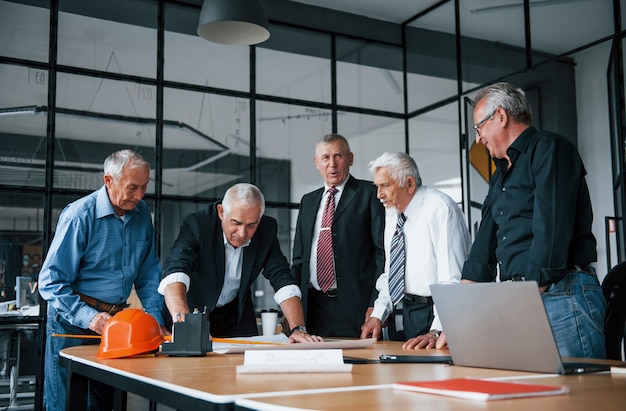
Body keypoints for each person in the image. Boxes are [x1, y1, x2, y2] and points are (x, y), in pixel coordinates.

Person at [460, 81, 606, 358]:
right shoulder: (500, 174)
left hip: (563, 295)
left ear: (500, 117)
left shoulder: (550, 148)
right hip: (524, 297)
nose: (478, 138)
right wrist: (458, 315)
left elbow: (550, 229)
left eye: (479, 128)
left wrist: (522, 301)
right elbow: (485, 240)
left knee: (578, 397)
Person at [38, 149, 165, 411]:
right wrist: (90, 317)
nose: (140, 196)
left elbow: (149, 273)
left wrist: (154, 318)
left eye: (144, 187)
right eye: (132, 188)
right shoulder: (79, 216)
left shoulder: (142, 215)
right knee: (65, 403)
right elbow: (50, 281)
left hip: (116, 325)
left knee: (105, 403)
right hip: (71, 324)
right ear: (109, 180)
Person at [159, 183, 322, 343]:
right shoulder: (199, 224)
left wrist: (297, 328)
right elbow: (176, 270)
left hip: (235, 318)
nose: (243, 233)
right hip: (191, 312)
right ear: (221, 212)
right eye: (236, 223)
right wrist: (187, 325)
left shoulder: (266, 229)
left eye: (251, 225)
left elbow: (281, 276)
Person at [360, 152, 471, 349]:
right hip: (405, 314)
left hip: (436, 316)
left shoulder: (440, 209)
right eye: (377, 186)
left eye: (385, 185)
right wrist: (378, 314)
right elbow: (391, 272)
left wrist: (438, 330)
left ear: (410, 184)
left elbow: (453, 280)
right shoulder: (393, 213)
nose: (379, 195)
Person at [290, 133, 385, 338]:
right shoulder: (308, 201)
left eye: (338, 156)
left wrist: (375, 304)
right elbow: (298, 260)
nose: (332, 164)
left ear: (350, 159)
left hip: (355, 308)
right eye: (325, 158)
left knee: (359, 366)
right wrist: (293, 312)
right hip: (312, 308)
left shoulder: (370, 194)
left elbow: (382, 254)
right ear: (317, 163)